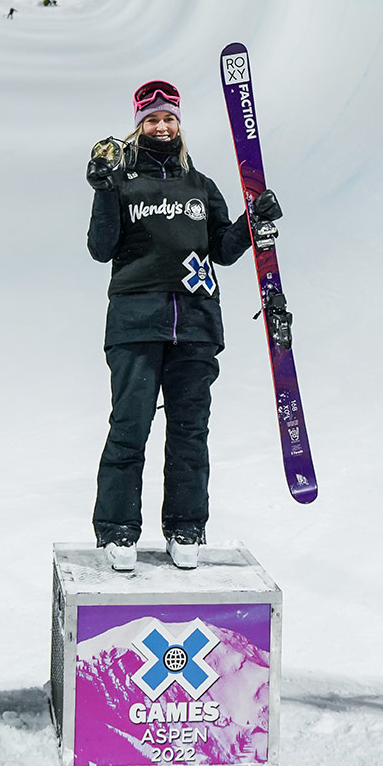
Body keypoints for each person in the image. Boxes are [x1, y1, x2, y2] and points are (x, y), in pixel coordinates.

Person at [84, 80, 279, 571]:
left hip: (194, 325)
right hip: (136, 324)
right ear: (138, 126)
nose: (162, 126)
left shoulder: (200, 186)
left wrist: (253, 222)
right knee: (130, 427)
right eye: (152, 120)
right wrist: (105, 191)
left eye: (169, 118)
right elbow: (100, 248)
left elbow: (225, 251)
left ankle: (186, 526)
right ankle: (119, 530)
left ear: (179, 124)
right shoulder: (122, 182)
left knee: (190, 431)